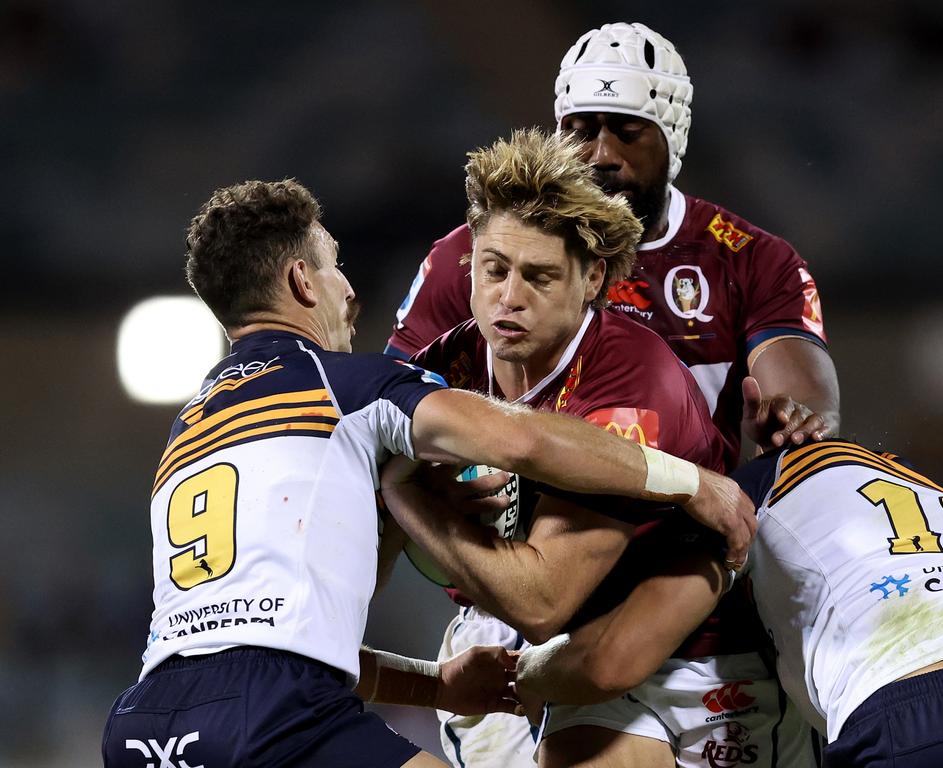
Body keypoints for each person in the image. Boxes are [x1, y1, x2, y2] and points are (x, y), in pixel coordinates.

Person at [99, 179, 754, 768]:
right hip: (276, 715)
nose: (349, 290)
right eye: (335, 266)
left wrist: (435, 686)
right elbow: (521, 438)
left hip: (143, 722)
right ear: (303, 281)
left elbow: (267, 643)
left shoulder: (190, 426)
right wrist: (695, 482)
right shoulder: (349, 386)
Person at [379, 129, 800, 768]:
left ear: (592, 278)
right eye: (493, 270)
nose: (508, 297)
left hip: (696, 652)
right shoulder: (450, 363)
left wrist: (404, 494)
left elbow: (542, 600)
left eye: (539, 277)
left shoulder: (631, 379)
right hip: (562, 655)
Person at [386, 21, 841, 472]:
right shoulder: (477, 257)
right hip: (512, 516)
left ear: (673, 137)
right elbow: (391, 400)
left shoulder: (752, 259)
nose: (601, 155)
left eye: (626, 131)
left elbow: (804, 417)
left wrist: (788, 426)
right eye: (583, 131)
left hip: (686, 528)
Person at [515, 422, 943, 767]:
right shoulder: (907, 472)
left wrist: (522, 671)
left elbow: (612, 662)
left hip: (913, 707)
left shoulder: (744, 494)